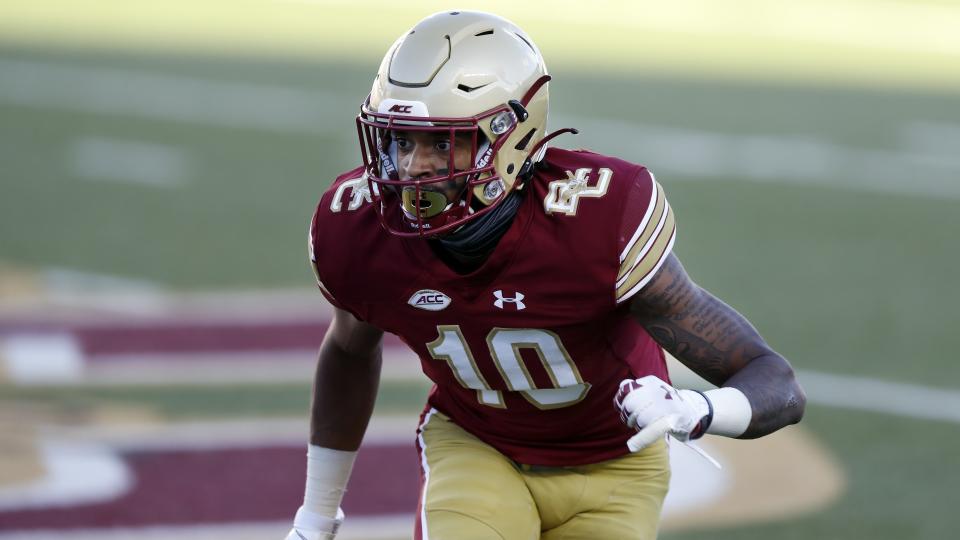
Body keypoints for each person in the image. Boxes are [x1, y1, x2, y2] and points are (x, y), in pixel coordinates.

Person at [286, 10, 806, 540]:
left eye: (442, 142)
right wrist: (316, 514)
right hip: (477, 445)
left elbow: (776, 384)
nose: (413, 167)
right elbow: (349, 350)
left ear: (511, 137)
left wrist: (697, 409)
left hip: (615, 466)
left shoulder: (598, 221)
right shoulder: (359, 227)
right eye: (401, 139)